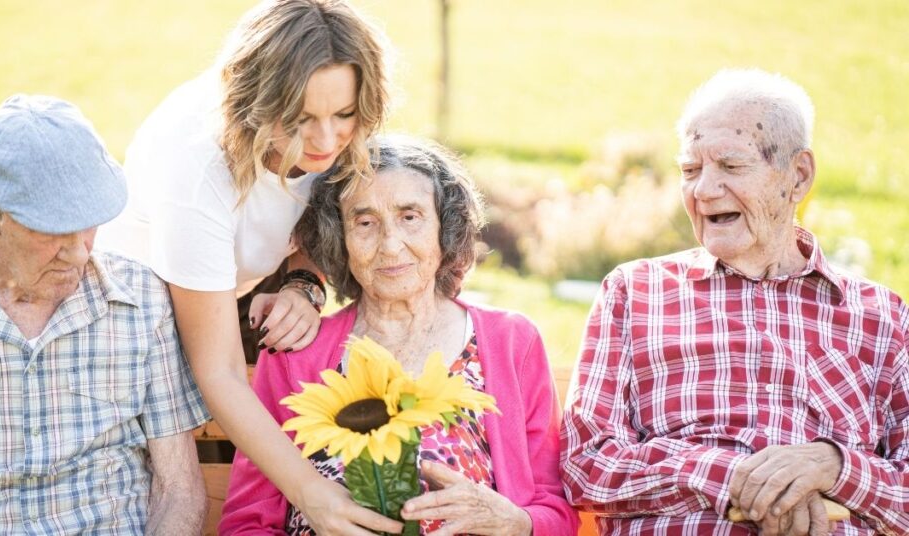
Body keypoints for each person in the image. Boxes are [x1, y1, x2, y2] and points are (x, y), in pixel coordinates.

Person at [560, 68, 909, 536]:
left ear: (798, 176)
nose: (703, 190)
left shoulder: (882, 316)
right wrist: (733, 477)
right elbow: (586, 464)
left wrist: (834, 467)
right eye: (690, 170)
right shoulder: (635, 291)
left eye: (731, 166)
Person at [96, 1, 399, 532]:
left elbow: (319, 213)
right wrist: (313, 496)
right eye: (303, 120)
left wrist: (306, 283)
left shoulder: (338, 127)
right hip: (148, 310)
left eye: (344, 115)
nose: (327, 141)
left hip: (247, 277)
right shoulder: (197, 168)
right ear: (257, 105)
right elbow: (220, 371)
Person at [221, 136, 578, 535]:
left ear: (446, 228)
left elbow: (556, 513)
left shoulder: (511, 341)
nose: (390, 246)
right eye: (365, 222)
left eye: (410, 217)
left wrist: (513, 522)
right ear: (339, 238)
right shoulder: (295, 349)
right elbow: (246, 522)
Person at [0, 95, 210, 534]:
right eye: (51, 230)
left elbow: (179, 494)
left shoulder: (141, 299)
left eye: (89, 224)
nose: (78, 253)